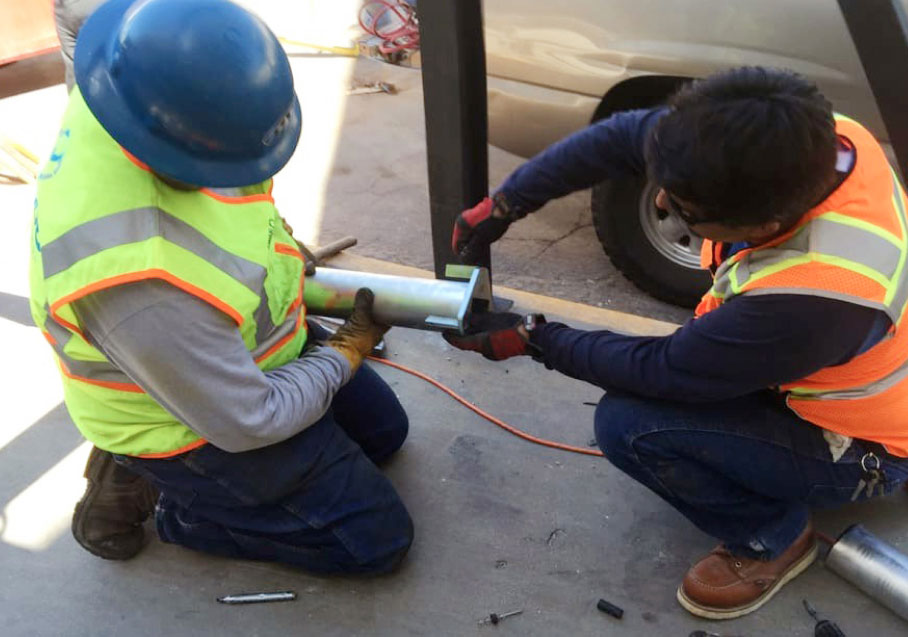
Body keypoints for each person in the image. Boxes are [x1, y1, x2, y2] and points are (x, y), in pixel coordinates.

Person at [446, 66, 908, 619]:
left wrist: (534, 339)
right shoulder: (799, 142)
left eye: (685, 209)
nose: (662, 203)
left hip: (863, 447)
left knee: (630, 425)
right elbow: (621, 138)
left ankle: (773, 538)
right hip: (829, 369)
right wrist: (508, 202)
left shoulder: (816, 296)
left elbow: (662, 370)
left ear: (766, 222)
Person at [30, 0, 413, 575]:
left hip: (232, 350)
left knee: (385, 435)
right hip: (185, 421)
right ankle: (175, 505)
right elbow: (251, 418)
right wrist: (346, 351)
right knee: (375, 539)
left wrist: (281, 249)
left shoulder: (132, 87)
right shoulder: (138, 277)